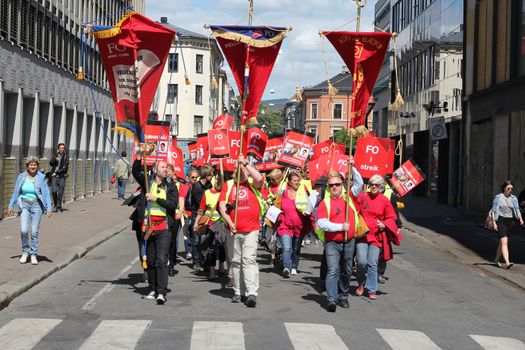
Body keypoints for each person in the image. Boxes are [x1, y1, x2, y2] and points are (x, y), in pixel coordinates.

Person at [132, 145, 178, 305]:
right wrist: (141, 154)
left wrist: (156, 199)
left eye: (167, 167)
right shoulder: (147, 182)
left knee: (161, 259)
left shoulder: (170, 185)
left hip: (163, 227)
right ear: (155, 169)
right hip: (148, 227)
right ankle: (152, 288)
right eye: (163, 167)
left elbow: (173, 205)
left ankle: (161, 292)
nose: (166, 169)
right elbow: (135, 171)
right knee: (150, 260)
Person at [219, 155, 265, 308]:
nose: (240, 171)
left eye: (243, 169)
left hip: (251, 230)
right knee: (236, 261)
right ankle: (238, 291)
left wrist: (245, 162)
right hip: (233, 230)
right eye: (237, 169)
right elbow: (222, 207)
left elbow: (259, 177)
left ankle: (251, 292)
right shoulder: (228, 185)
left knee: (249, 260)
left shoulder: (252, 183)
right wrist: (230, 222)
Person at [316, 173, 358, 312]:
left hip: (349, 241)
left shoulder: (350, 197)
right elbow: (322, 223)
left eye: (337, 184)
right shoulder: (325, 202)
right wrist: (340, 227)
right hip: (332, 242)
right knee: (333, 270)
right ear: (328, 187)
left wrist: (354, 167)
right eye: (331, 185)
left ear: (342, 186)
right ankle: (331, 299)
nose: (334, 187)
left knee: (346, 270)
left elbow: (359, 183)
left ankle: (343, 295)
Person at [355, 174, 400, 301]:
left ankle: (372, 288)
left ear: (381, 187)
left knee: (372, 263)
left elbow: (391, 217)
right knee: (361, 262)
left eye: (376, 185)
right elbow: (354, 211)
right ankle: (361, 282)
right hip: (362, 235)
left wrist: (384, 224)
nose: (373, 187)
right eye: (371, 184)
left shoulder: (384, 200)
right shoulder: (363, 196)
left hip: (376, 237)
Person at [7, 157, 53, 265]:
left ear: (37, 166)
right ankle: (25, 251)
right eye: (31, 164)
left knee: (34, 231)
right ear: (27, 166)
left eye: (35, 164)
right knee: (23, 230)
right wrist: (10, 205)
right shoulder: (21, 177)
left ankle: (33, 254)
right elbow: (16, 192)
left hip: (37, 206)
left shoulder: (41, 177)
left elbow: (46, 193)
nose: (33, 166)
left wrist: (49, 208)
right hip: (24, 205)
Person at [276, 171, 313, 278]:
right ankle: (286, 267)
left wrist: (307, 213)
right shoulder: (283, 193)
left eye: (298, 180)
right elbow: (276, 206)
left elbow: (309, 206)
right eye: (295, 180)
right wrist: (276, 197)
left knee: (296, 248)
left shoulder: (303, 193)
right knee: (287, 247)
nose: (297, 182)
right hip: (285, 226)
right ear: (289, 182)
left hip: (299, 227)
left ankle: (294, 266)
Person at [194, 175, 227, 281]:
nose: (218, 181)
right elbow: (201, 209)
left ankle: (221, 265)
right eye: (217, 179)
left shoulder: (226, 193)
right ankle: (212, 270)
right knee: (211, 248)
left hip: (223, 224)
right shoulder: (207, 193)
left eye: (221, 180)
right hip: (210, 225)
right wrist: (196, 223)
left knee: (222, 246)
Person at [186, 165, 214, 270]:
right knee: (196, 240)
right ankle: (196, 261)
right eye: (211, 174)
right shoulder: (196, 187)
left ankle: (204, 260)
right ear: (206, 175)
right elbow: (203, 203)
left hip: (206, 215)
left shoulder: (209, 185)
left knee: (205, 240)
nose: (212, 176)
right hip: (196, 215)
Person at [490, 180, 523, 269]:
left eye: (511, 188)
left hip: (510, 222)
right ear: (504, 188)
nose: (510, 190)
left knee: (502, 243)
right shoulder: (498, 197)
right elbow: (493, 211)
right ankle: (507, 262)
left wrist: (521, 219)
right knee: (505, 241)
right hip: (500, 221)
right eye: (508, 188)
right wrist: (494, 222)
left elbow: (517, 209)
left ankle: (496, 260)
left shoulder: (514, 198)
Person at [166, 164, 187, 276]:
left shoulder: (178, 185)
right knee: (164, 240)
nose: (167, 172)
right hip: (163, 215)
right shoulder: (161, 184)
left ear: (173, 172)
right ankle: (164, 262)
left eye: (169, 170)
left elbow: (181, 198)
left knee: (172, 240)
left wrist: (180, 211)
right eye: (166, 170)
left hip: (174, 216)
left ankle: (171, 264)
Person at [183, 169, 199, 260]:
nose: (195, 179)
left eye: (196, 177)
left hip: (196, 213)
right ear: (188, 178)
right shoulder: (185, 187)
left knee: (195, 233)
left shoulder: (199, 187)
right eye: (193, 177)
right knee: (187, 233)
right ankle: (188, 251)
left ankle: (195, 251)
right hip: (187, 213)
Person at [50, 143, 69, 212]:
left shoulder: (66, 156)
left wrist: (56, 173)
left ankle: (58, 207)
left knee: (60, 192)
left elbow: (65, 168)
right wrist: (53, 160)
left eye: (63, 148)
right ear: (58, 148)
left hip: (61, 176)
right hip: (54, 176)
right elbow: (51, 164)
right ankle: (55, 204)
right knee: (54, 190)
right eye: (60, 148)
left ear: (64, 149)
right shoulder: (55, 155)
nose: (62, 149)